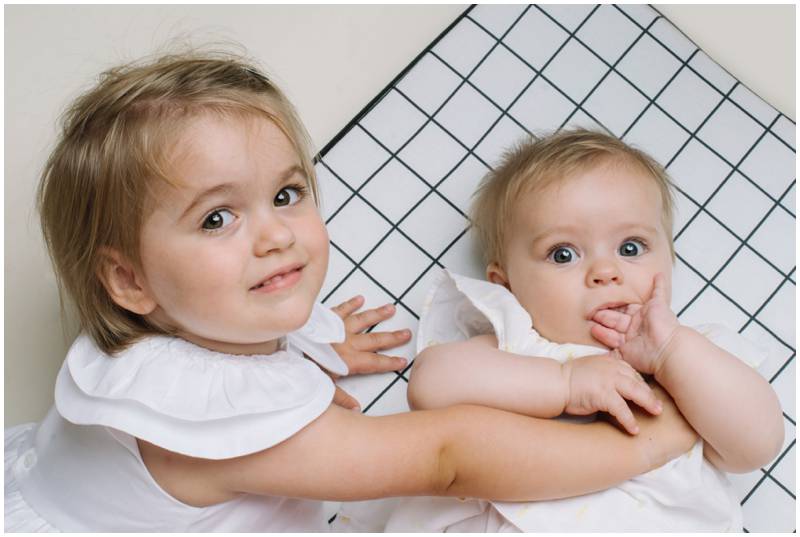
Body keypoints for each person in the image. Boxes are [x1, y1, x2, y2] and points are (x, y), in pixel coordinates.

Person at [4, 52, 698, 532]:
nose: (276, 236)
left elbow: (225, 333)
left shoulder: (188, 320)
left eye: (286, 192)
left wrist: (317, 344)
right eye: (218, 218)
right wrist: (640, 449)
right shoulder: (211, 426)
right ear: (128, 279)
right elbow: (448, 457)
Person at [376, 129, 784, 532]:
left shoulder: (692, 356)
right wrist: (565, 382)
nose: (605, 272)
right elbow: (430, 386)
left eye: (630, 248)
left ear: (670, 260)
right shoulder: (516, 346)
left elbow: (756, 446)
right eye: (563, 254)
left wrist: (673, 352)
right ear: (507, 286)